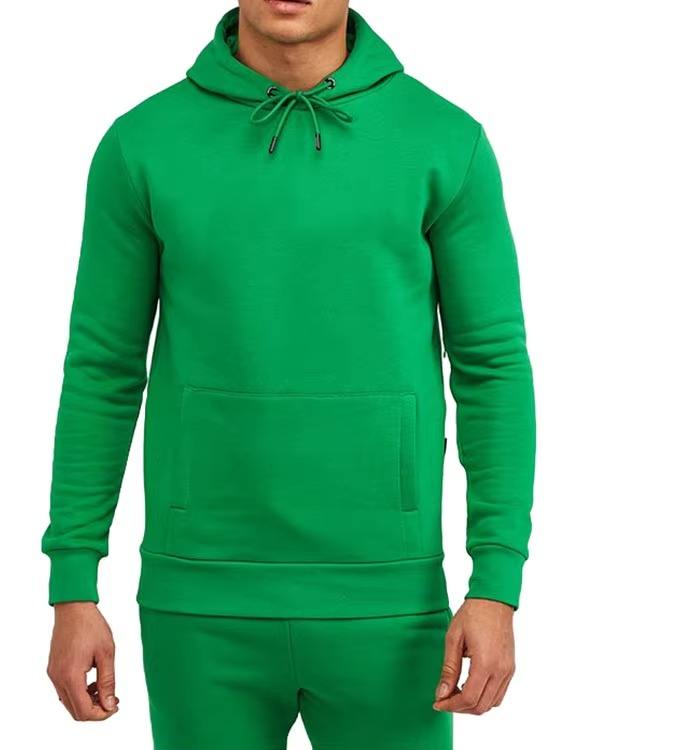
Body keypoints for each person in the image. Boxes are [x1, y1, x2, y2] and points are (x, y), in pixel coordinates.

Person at [43, 1, 536, 748]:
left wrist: (496, 584)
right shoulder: (142, 144)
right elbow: (102, 370)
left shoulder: (443, 140)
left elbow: (492, 367)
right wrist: (73, 583)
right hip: (200, 600)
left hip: (391, 600)